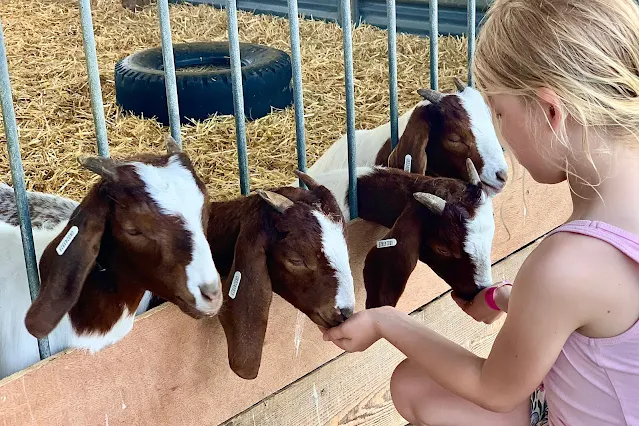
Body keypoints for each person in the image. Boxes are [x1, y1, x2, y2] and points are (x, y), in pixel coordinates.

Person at [320, 0, 639, 424]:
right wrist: (513, 299)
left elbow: (493, 389)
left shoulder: (568, 262)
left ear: (550, 111)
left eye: (501, 114)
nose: (502, 135)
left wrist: (386, 322)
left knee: (413, 384)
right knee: (416, 382)